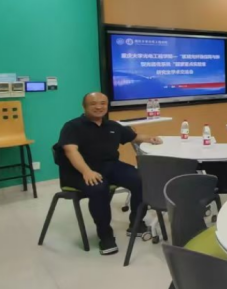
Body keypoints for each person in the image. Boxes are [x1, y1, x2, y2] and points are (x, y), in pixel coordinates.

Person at [57, 92, 163, 255]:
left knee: (141, 179)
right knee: (99, 189)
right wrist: (86, 171)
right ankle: (105, 235)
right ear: (84, 106)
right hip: (79, 171)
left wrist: (150, 138)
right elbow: (71, 151)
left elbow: (135, 137)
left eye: (103, 103)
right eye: (93, 104)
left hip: (110, 166)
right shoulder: (72, 126)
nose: (99, 107)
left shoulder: (113, 126)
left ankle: (136, 224)